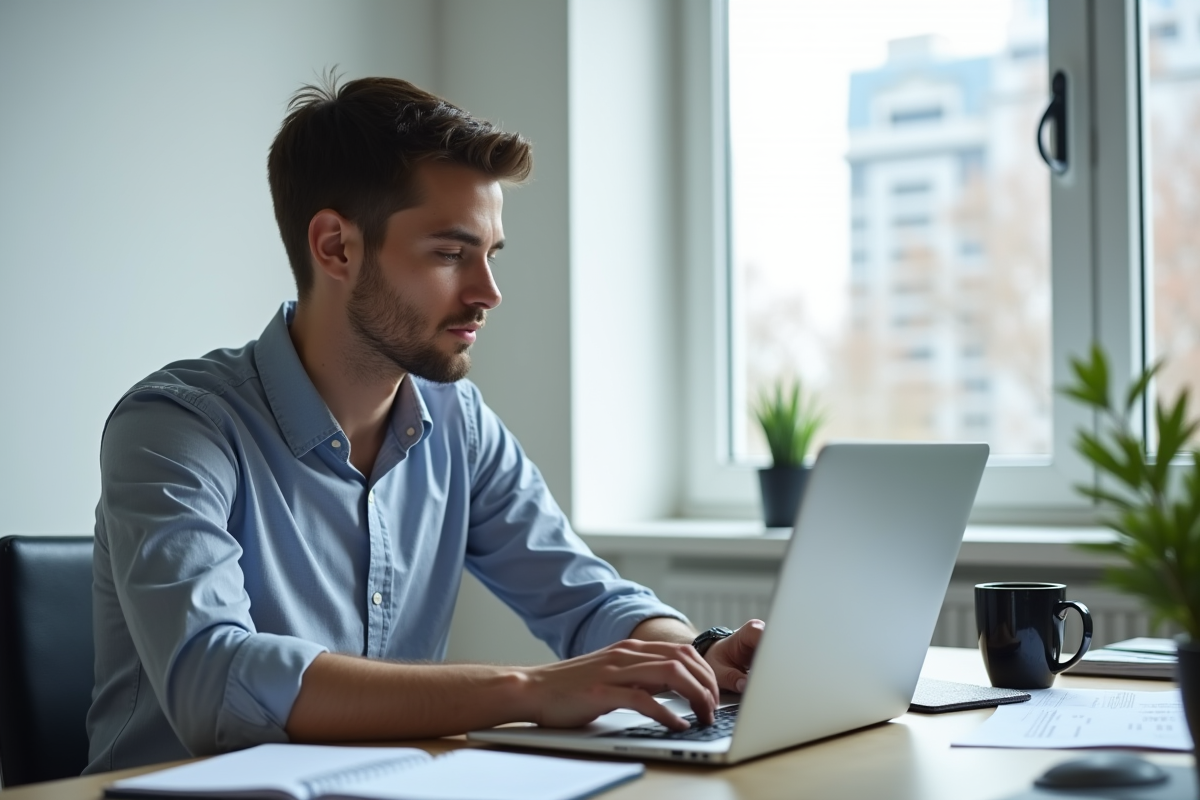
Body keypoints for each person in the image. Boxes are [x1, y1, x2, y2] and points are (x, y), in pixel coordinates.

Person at [85, 75, 763, 774]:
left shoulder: (456, 421)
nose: (487, 294)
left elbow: (587, 597)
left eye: (490, 255)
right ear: (336, 248)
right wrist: (525, 690)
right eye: (449, 254)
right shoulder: (174, 428)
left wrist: (697, 658)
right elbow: (217, 684)